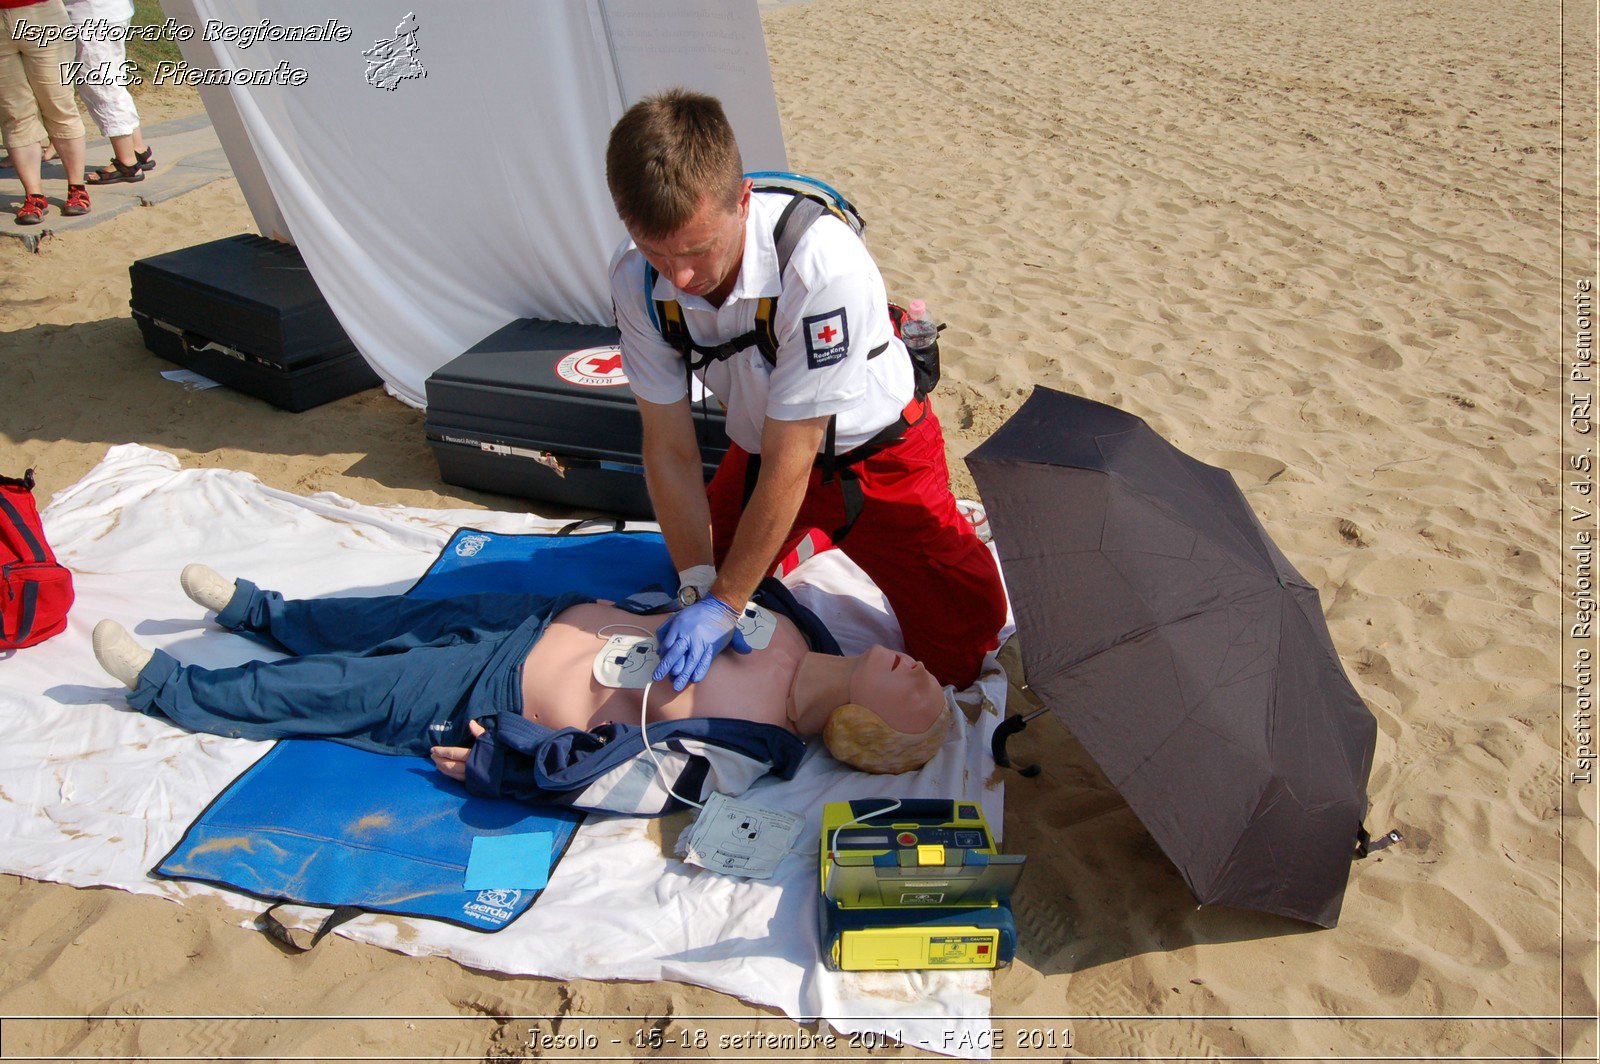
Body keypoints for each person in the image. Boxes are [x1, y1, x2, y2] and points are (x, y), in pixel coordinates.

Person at [605, 89, 1006, 695]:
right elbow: (668, 448)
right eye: (658, 253)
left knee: (963, 647)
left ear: (743, 201)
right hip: (762, 446)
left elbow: (794, 464)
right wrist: (698, 585)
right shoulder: (635, 276)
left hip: (878, 457)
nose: (680, 278)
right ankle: (798, 545)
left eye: (696, 250)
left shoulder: (821, 265)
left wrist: (726, 604)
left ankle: (820, 541)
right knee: (695, 576)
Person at [91, 564, 952, 812]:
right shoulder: (806, 623)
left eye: (921, 700)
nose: (921, 675)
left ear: (862, 730)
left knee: (343, 688)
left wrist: (508, 763)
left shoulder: (749, 749)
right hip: (543, 616)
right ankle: (263, 609)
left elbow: (621, 780)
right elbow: (724, 563)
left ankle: (169, 686)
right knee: (388, 619)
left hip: (495, 687)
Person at [0, 0, 89, 223]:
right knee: (14, 113)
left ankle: (77, 189)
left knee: (58, 105)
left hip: (42, 14)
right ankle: (34, 195)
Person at [63, 0, 155, 185]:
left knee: (101, 88)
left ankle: (126, 162)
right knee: (114, 81)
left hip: (92, 14)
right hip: (112, 11)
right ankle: (136, 149)